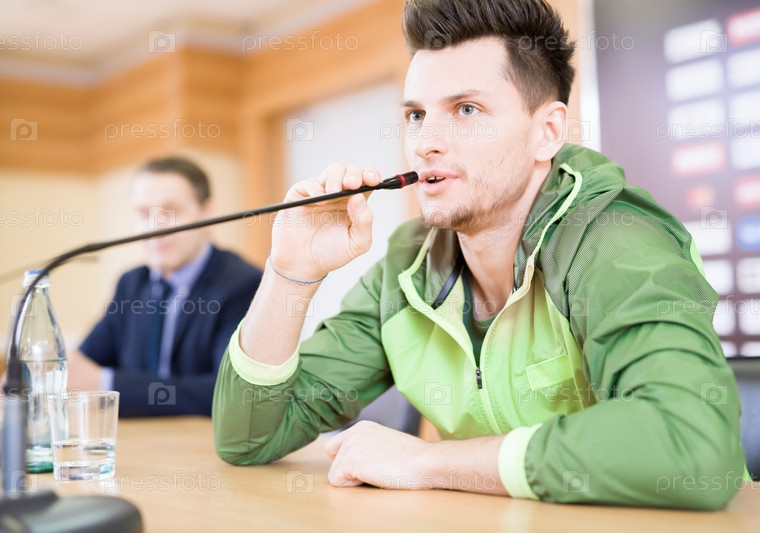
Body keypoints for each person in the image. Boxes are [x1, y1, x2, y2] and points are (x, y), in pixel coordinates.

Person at [211, 0, 747, 509]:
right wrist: (290, 271)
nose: (425, 142)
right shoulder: (406, 267)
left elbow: (690, 444)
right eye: (416, 115)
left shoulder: (615, 241)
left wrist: (427, 462)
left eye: (466, 109)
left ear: (547, 133)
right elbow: (247, 437)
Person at [67, 156, 261, 416]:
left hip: (201, 439)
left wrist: (108, 384)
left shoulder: (243, 284)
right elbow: (84, 366)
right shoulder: (131, 284)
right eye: (144, 213)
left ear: (207, 212)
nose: (155, 227)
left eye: (171, 212)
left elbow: (229, 392)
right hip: (140, 438)